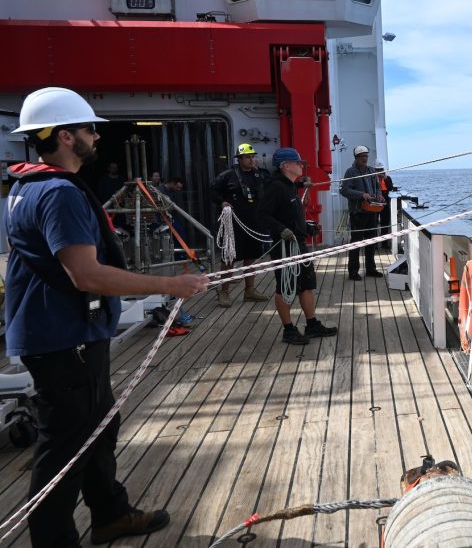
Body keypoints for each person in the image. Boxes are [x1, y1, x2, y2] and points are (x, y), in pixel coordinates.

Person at [4, 87, 209, 546]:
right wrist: (170, 286)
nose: (97, 137)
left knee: (98, 427)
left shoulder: (24, 186)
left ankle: (110, 514)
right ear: (64, 137)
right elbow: (86, 275)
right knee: (65, 447)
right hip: (63, 339)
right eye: (88, 129)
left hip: (58, 333)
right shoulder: (58, 192)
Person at [256, 147, 337, 345]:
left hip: (298, 243)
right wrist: (281, 229)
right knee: (286, 287)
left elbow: (291, 214)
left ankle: (312, 324)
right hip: (283, 245)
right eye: (298, 162)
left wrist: (306, 227)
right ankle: (288, 330)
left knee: (307, 285)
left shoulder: (290, 185)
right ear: (285, 166)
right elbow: (262, 215)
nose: (301, 165)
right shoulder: (275, 187)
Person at [211, 144, 271, 307]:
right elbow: (212, 191)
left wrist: (300, 185)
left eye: (253, 156)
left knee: (251, 257)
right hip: (233, 223)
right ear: (239, 159)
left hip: (253, 222)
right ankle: (224, 292)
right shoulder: (227, 176)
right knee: (228, 257)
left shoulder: (260, 175)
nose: (252, 159)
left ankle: (249, 290)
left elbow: (275, 186)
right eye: (248, 157)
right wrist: (222, 202)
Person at [340, 146, 384, 280]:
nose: (364, 158)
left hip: (372, 212)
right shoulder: (350, 172)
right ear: (356, 158)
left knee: (372, 242)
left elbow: (377, 188)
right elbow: (345, 190)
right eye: (362, 157)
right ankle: (353, 272)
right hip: (358, 213)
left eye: (366, 156)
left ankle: (371, 269)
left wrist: (379, 195)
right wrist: (361, 195)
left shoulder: (371, 170)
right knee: (356, 243)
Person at [374, 160, 396, 253]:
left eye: (381, 170)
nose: (379, 172)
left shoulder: (388, 178)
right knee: (373, 223)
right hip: (374, 202)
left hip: (385, 202)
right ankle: (374, 244)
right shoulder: (372, 178)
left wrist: (385, 178)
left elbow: (390, 188)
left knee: (385, 223)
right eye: (377, 170)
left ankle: (384, 243)